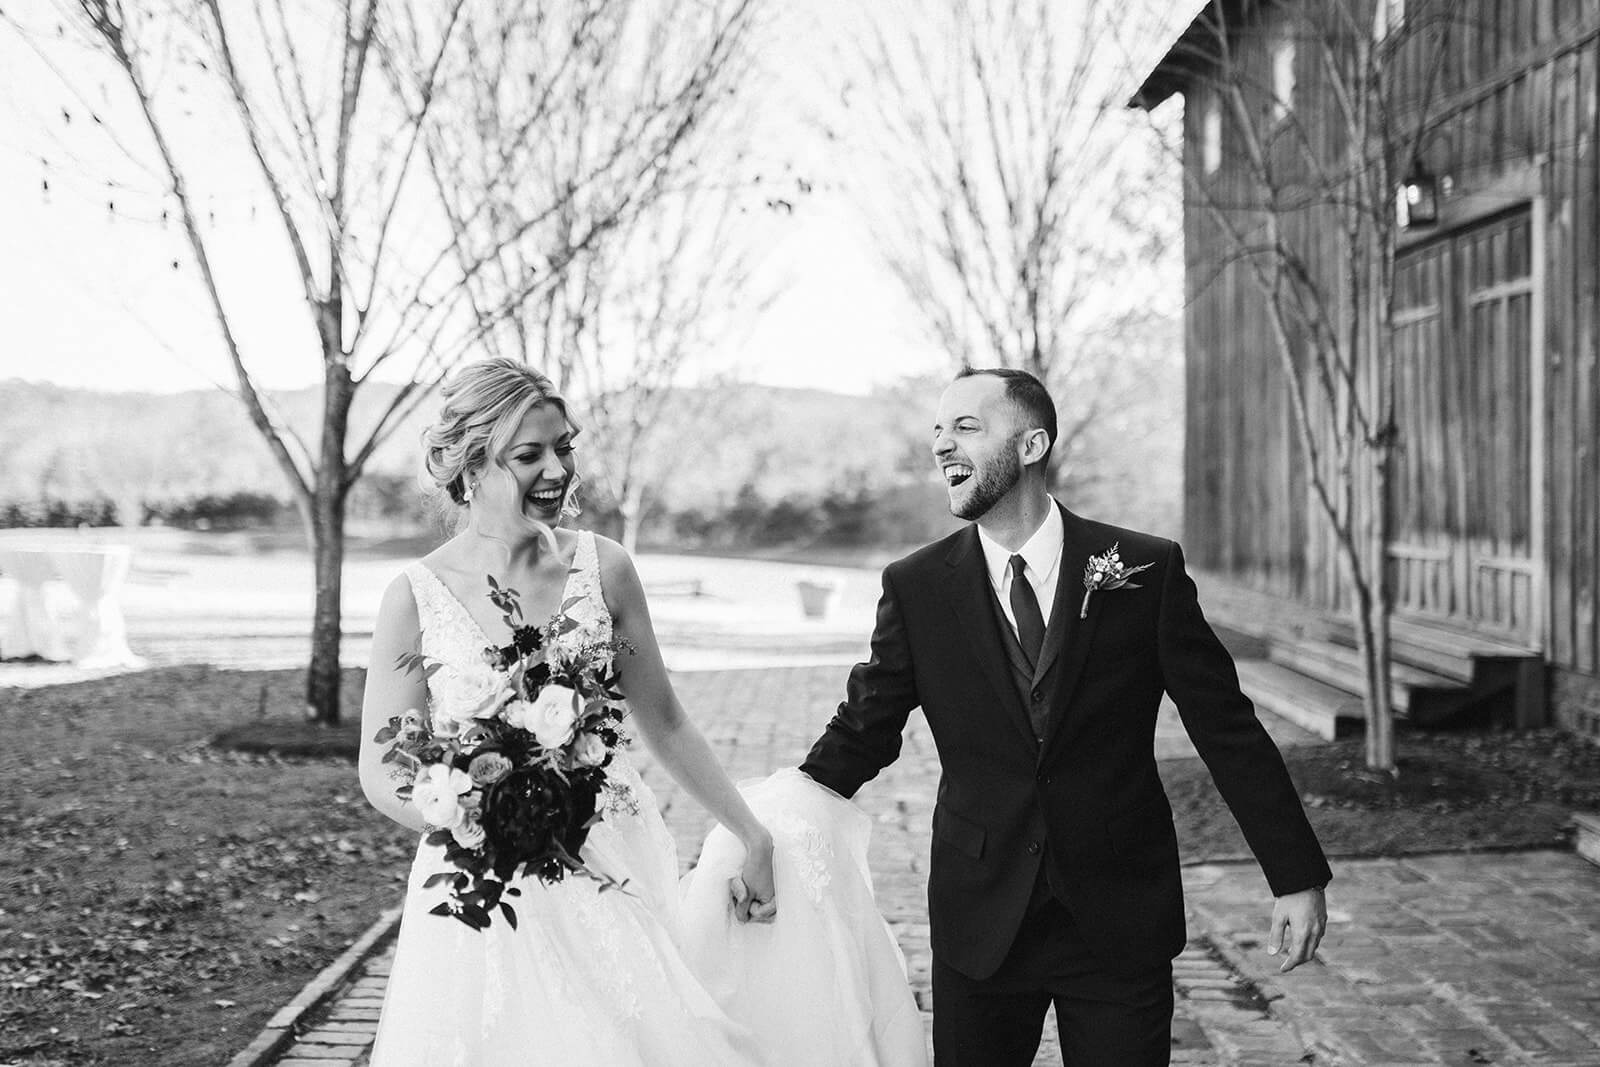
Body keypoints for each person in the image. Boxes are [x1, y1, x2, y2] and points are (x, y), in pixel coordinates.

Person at [359, 357, 925, 1066]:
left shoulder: (606, 567)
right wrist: (471, 814)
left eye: (564, 445)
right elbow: (384, 769)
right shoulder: (412, 597)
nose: (558, 469)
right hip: (480, 881)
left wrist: (750, 834)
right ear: (470, 466)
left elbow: (665, 719)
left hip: (610, 857)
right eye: (529, 453)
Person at [800, 367, 1331, 1066]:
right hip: (981, 919)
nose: (940, 445)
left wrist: (1295, 873)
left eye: (965, 426)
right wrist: (775, 821)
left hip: (1119, 913)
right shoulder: (918, 585)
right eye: (937, 429)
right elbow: (864, 728)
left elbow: (1226, 727)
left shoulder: (1144, 569)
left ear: (1030, 445)